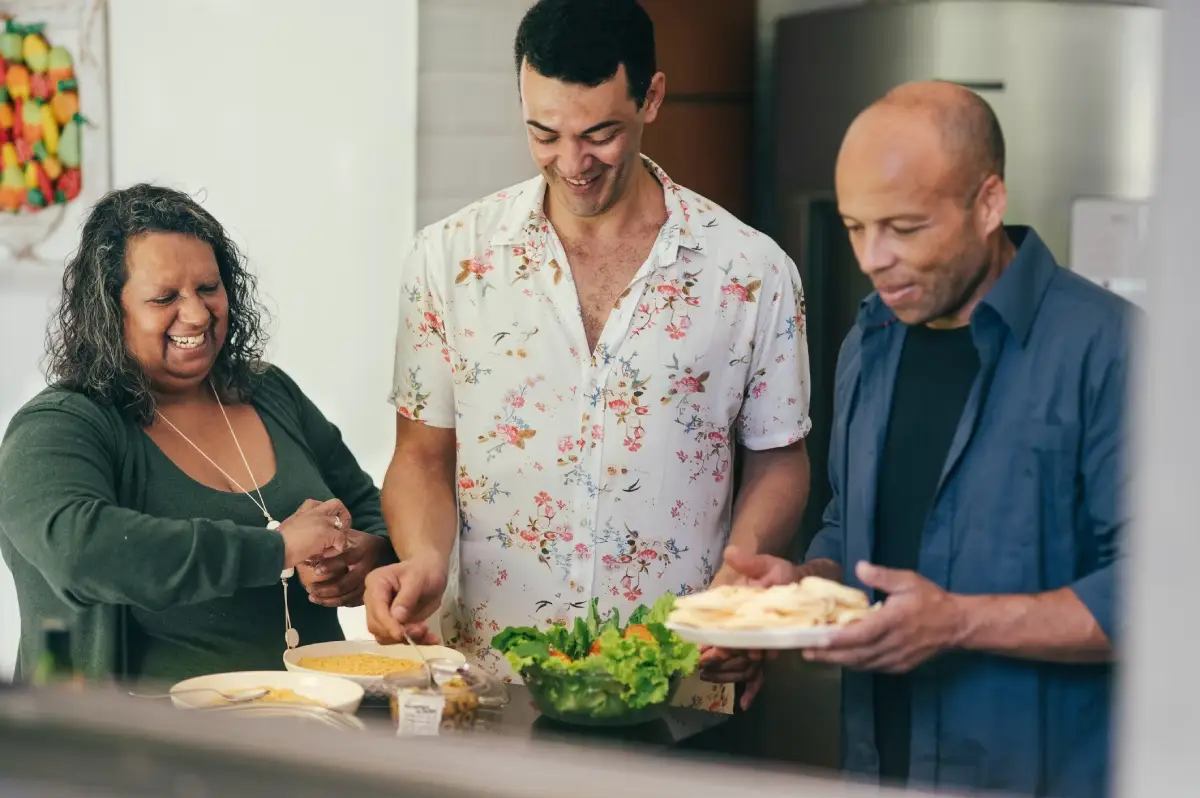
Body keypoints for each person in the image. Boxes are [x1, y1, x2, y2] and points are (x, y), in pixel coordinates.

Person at [364, 0, 812, 712]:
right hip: (487, 685)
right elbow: (421, 455)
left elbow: (779, 457)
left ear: (652, 98)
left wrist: (739, 569)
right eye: (544, 133)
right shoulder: (446, 260)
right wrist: (421, 556)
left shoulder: (752, 270)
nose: (571, 163)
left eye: (600, 134)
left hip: (680, 679)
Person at [724, 81, 1130, 798]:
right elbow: (853, 528)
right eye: (855, 226)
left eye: (904, 228)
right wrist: (803, 591)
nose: (873, 259)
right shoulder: (868, 342)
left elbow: (1161, 596)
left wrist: (959, 622)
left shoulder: (1112, 349)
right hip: (880, 770)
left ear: (988, 204)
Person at [0, 184, 399, 683]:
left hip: (313, 728)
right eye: (164, 297)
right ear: (109, 310)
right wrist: (278, 549)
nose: (196, 313)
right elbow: (82, 551)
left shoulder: (268, 391)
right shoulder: (59, 426)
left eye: (209, 288)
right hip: (147, 749)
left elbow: (371, 507)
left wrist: (369, 556)